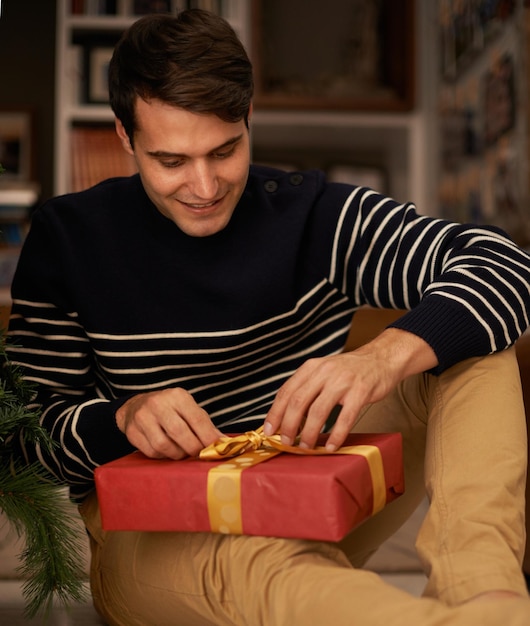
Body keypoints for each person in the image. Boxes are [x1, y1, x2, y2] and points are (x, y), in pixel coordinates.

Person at [6, 9, 530, 626]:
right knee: (260, 566)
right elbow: (24, 437)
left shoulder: (313, 215)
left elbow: (503, 262)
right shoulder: (70, 239)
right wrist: (125, 417)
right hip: (155, 537)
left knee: (473, 342)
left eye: (224, 151)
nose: (203, 185)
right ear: (125, 136)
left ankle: (487, 600)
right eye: (171, 161)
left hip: (308, 495)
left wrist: (384, 355)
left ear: (249, 116)